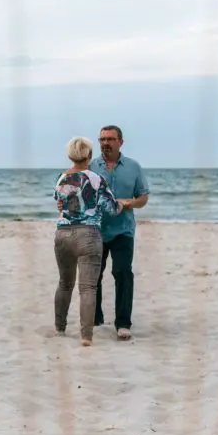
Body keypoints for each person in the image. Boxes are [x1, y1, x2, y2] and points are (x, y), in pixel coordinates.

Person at [53, 137, 127, 346]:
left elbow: (59, 202)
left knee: (64, 284)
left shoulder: (60, 178)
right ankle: (86, 336)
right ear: (90, 156)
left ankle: (60, 329)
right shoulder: (96, 179)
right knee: (88, 288)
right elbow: (111, 208)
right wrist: (122, 204)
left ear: (69, 156)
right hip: (88, 235)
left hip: (62, 234)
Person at [91, 125, 149, 341]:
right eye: (102, 139)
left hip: (123, 230)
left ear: (120, 142)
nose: (105, 143)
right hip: (95, 229)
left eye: (110, 139)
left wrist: (130, 203)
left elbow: (143, 198)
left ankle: (123, 323)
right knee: (93, 275)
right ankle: (95, 318)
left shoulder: (133, 167)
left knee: (123, 274)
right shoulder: (91, 166)